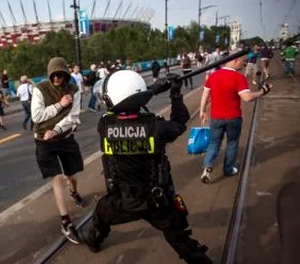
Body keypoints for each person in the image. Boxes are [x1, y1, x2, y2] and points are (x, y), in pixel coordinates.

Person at [79, 70, 212, 264]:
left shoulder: (104, 125)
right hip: (156, 201)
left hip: (122, 200)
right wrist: (174, 92)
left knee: (100, 215)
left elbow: (116, 106)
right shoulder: (157, 128)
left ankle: (93, 241)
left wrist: (153, 88)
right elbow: (180, 121)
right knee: (181, 240)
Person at [31, 57, 88, 244]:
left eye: (60, 75)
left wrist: (56, 129)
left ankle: (74, 192)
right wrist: (59, 105)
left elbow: (74, 116)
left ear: (66, 74)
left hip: (65, 138)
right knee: (57, 178)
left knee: (71, 176)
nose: (57, 78)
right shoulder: (40, 89)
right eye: (53, 75)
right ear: (49, 74)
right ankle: (66, 222)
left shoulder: (74, 90)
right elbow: (37, 116)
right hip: (43, 141)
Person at [200, 49, 272, 183]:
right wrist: (262, 92)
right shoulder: (239, 78)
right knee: (232, 143)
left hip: (216, 117)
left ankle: (207, 167)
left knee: (214, 143)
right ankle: (228, 169)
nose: (243, 65)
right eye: (243, 62)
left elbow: (205, 94)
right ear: (235, 60)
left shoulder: (213, 76)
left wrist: (202, 111)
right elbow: (247, 97)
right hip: (233, 118)